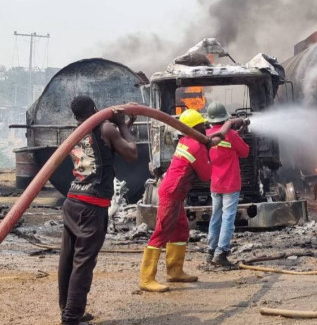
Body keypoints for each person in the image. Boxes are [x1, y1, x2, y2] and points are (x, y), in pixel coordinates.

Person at [59, 96, 138, 325]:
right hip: (92, 207)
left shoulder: (76, 131)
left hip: (73, 200)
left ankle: (68, 310)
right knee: (83, 263)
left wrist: (122, 127)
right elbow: (131, 154)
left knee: (68, 260)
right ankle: (72, 317)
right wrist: (122, 124)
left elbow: (102, 146)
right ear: (95, 109)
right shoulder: (107, 128)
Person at [139, 109, 214, 292]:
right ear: (195, 127)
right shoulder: (197, 146)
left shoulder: (186, 140)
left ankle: (175, 271)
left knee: (181, 231)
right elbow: (206, 175)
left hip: (175, 193)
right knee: (162, 232)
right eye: (203, 125)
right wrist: (210, 151)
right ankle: (147, 278)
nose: (206, 127)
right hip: (172, 193)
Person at [205, 102, 249, 267]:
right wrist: (238, 135)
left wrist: (236, 133)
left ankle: (210, 250)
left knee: (215, 217)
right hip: (230, 183)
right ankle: (221, 253)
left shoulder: (208, 135)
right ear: (225, 118)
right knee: (228, 218)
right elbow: (245, 152)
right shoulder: (230, 135)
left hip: (215, 184)